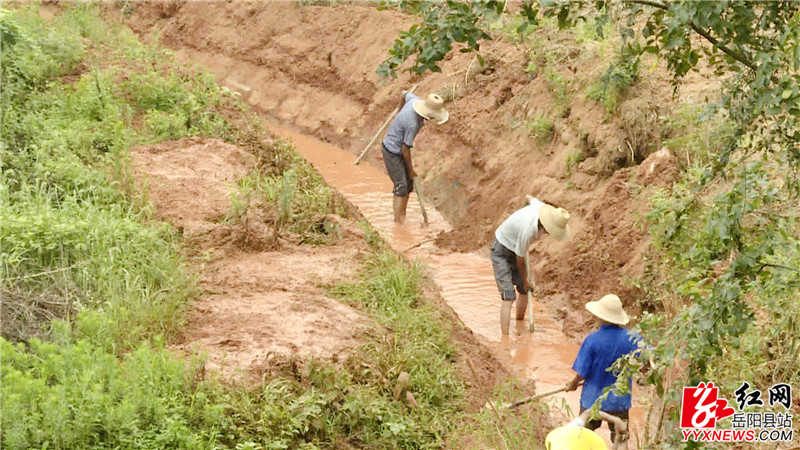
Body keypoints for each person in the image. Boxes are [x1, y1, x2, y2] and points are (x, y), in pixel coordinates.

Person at [565, 294, 643, 445]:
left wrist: (573, 383)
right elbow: (648, 357)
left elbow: (582, 373)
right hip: (619, 400)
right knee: (621, 438)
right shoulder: (632, 339)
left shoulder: (592, 340)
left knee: (583, 437)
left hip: (592, 400)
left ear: (601, 317)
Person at [491, 196, 571, 335]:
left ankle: (519, 323)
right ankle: (505, 338)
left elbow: (528, 197)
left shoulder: (540, 207)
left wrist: (525, 283)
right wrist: (525, 279)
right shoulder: (528, 230)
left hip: (515, 246)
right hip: (501, 249)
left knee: (524, 289)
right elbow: (520, 258)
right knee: (508, 295)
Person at [381, 91, 448, 223]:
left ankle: (402, 215)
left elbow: (403, 93)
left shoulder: (414, 101)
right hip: (391, 151)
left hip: (399, 149)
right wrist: (410, 170)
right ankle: (397, 222)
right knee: (401, 186)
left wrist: (399, 111)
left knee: (408, 185)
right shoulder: (412, 124)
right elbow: (405, 149)